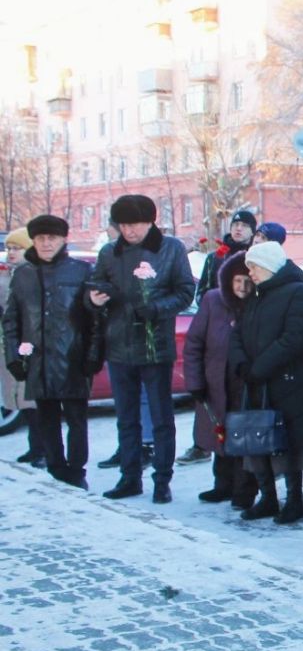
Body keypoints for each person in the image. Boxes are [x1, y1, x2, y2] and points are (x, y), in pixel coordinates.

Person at [88, 194, 196, 503]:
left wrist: (157, 308)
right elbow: (95, 287)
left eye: (134, 224)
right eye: (123, 225)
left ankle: (162, 479)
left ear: (150, 222)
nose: (129, 231)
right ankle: (130, 476)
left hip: (155, 346)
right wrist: (94, 299)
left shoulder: (171, 248)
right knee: (126, 417)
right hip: (119, 347)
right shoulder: (110, 253)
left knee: (162, 418)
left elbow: (185, 291)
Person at [2, 215, 99, 490]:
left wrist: (92, 355)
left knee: (77, 420)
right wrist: (14, 357)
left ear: (63, 240)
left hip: (72, 358)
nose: (46, 244)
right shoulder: (23, 274)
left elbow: (94, 319)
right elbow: (12, 320)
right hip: (38, 360)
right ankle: (56, 469)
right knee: (47, 421)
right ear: (33, 240)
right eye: (41, 238)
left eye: (52, 238)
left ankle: (76, 470)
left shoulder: (80, 271)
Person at [229, 241, 303, 524]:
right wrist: (242, 364)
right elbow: (238, 333)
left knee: (289, 443)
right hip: (257, 382)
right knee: (257, 440)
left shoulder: (297, 293)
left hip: (287, 383)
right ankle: (267, 497)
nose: (250, 273)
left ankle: (293, 501)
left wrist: (261, 367)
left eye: (254, 267)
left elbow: (295, 338)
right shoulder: (256, 296)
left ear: (268, 265)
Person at [183, 252, 258, 508]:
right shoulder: (213, 301)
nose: (242, 287)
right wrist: (195, 382)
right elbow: (194, 343)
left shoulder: (258, 304)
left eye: (248, 281)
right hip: (216, 382)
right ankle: (222, 485)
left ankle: (244, 490)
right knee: (219, 435)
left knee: (243, 437)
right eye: (238, 281)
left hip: (245, 383)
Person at [1, 226, 44, 468]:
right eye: (8, 248)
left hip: (32, 346)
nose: (11, 253)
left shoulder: (34, 276)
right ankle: (34, 447)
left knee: (34, 401)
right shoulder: (8, 275)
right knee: (21, 400)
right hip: (12, 344)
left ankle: (43, 449)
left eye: (17, 248)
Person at [195, 209, 256, 305]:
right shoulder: (215, 257)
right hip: (219, 316)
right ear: (231, 228)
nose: (239, 228)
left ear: (253, 231)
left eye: (244, 225)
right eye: (235, 224)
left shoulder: (257, 258)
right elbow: (201, 293)